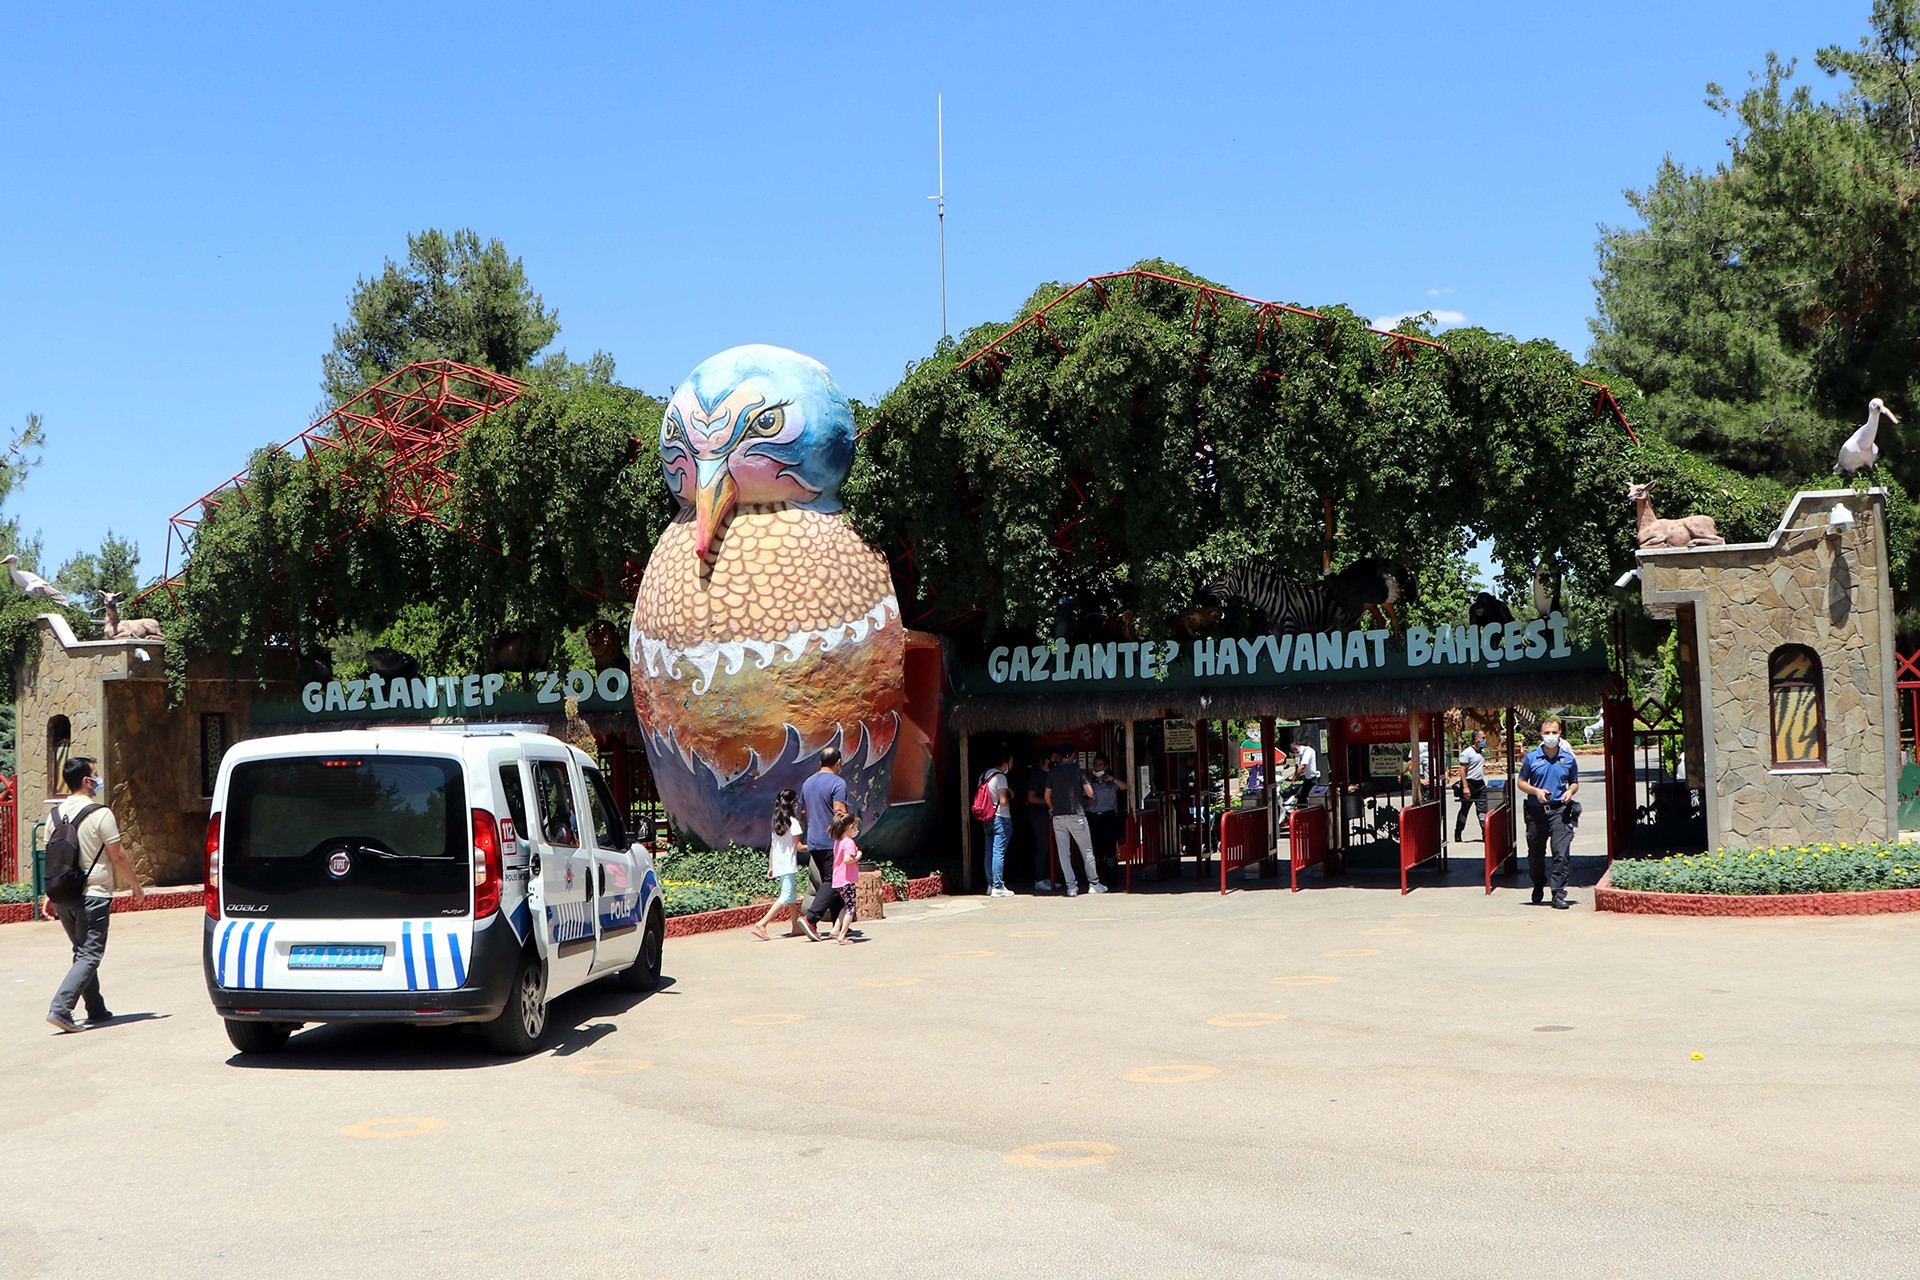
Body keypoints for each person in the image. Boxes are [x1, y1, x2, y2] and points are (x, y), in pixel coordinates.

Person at [42, 756, 144, 1033]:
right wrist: (135, 884)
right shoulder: (100, 813)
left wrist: (48, 895)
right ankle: (61, 1009)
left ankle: (96, 1009)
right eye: (95, 775)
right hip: (94, 894)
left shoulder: (53, 816)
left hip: (64, 895)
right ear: (87, 781)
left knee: (82, 951)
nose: (98, 780)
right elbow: (118, 855)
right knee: (90, 954)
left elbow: (53, 858)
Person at [1518, 718, 1580, 908]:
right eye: (1547, 733)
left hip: (1559, 811)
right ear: (1541, 735)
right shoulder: (1532, 758)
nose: (1550, 736)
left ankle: (1558, 893)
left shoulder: (1568, 759)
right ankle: (1538, 883)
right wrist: (1536, 791)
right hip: (1536, 812)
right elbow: (1521, 782)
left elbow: (1574, 782)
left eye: (1554, 732)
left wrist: (1570, 792)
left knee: (1561, 853)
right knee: (1536, 855)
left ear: (1560, 733)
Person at [1045, 748, 1106, 896]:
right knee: (1087, 851)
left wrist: (1052, 808)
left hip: (1058, 816)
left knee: (1064, 853)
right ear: (1073, 756)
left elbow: (1047, 796)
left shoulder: (1052, 773)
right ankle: (1094, 883)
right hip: (1076, 814)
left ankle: (1071, 886)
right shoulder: (1079, 771)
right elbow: (1090, 792)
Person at [750, 789, 805, 941]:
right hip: (788, 863)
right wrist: (814, 846)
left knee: (792, 894)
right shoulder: (793, 823)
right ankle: (762, 923)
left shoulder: (777, 822)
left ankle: (795, 926)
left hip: (779, 863)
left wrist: (771, 866)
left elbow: (774, 846)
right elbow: (798, 846)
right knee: (786, 895)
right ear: (793, 804)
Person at [799, 747, 851, 900]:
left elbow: (804, 811)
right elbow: (839, 811)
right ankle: (811, 919)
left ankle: (839, 924)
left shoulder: (807, 782)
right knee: (833, 882)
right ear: (839, 762)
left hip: (814, 840)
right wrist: (847, 835)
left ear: (820, 762)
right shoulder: (838, 783)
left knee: (830, 881)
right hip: (832, 841)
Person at [801, 813, 862, 943]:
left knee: (845, 906)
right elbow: (847, 859)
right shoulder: (849, 842)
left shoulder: (837, 842)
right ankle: (842, 936)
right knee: (850, 908)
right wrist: (858, 856)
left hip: (838, 879)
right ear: (851, 826)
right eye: (855, 826)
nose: (856, 829)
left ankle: (836, 929)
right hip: (847, 879)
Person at [1085, 753, 1128, 886]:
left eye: (1100, 765)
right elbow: (1082, 799)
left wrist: (1112, 779)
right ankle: (1095, 879)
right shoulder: (1088, 782)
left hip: (1108, 817)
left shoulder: (1111, 783)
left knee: (1109, 848)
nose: (1097, 768)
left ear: (1106, 767)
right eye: (1095, 765)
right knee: (1093, 849)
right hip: (1092, 817)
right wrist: (1088, 803)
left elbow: (1125, 787)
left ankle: (1112, 878)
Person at [979, 751, 1015, 898]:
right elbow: (1004, 801)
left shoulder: (983, 776)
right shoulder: (1000, 777)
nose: (1012, 766)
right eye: (1011, 762)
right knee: (998, 853)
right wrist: (1010, 794)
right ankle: (998, 886)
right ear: (1004, 763)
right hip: (1001, 817)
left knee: (989, 852)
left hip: (987, 818)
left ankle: (990, 884)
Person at [1027, 749, 1058, 892]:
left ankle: (1047, 877)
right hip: (1039, 816)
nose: (1057, 760)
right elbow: (1031, 797)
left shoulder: (1052, 774)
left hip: (1050, 816)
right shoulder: (1037, 776)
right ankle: (1039, 879)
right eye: (1054, 757)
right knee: (1043, 846)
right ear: (1047, 759)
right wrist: (1047, 803)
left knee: (1050, 847)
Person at [1454, 729, 1489, 842]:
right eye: (1483, 738)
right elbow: (1462, 771)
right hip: (1469, 784)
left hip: (1480, 784)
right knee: (1464, 810)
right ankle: (1458, 833)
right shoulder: (1467, 753)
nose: (1485, 740)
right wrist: (1465, 787)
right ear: (1476, 739)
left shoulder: (1481, 752)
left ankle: (1485, 834)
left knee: (1483, 810)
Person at [1282, 738, 1319, 811]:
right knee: (1300, 794)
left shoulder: (1308, 751)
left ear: (1295, 749)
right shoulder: (1302, 753)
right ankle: (1302, 810)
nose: (1296, 754)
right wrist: (1292, 776)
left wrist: (1294, 778)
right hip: (1307, 778)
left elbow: (1302, 766)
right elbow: (1299, 768)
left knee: (1304, 795)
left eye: (1294, 752)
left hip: (1313, 779)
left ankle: (1304, 811)